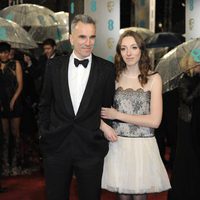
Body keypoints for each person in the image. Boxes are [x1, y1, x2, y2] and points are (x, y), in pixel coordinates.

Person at [38, 14, 115, 200]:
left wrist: (100, 133)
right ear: (71, 38)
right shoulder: (54, 66)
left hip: (90, 148)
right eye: (82, 37)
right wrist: (44, 133)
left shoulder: (106, 69)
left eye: (92, 37)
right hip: (57, 145)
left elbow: (106, 107)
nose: (88, 42)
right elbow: (44, 104)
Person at [101, 30, 171, 200]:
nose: (129, 53)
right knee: (122, 196)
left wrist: (118, 114)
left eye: (133, 47)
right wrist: (103, 127)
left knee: (140, 196)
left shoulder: (154, 78)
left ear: (141, 50)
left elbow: (155, 121)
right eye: (123, 48)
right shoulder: (113, 77)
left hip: (143, 146)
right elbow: (94, 108)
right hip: (118, 145)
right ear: (119, 52)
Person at [168, 65, 200, 200]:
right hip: (187, 126)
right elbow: (187, 99)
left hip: (196, 125)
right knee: (187, 160)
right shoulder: (184, 79)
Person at [0, 42, 23, 176]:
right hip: (2, 103)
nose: (3, 54)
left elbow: (20, 85)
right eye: (1, 52)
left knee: (15, 133)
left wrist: (14, 99)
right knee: (5, 134)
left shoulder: (16, 64)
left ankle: (15, 163)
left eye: (5, 52)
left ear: (9, 52)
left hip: (15, 102)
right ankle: (5, 164)